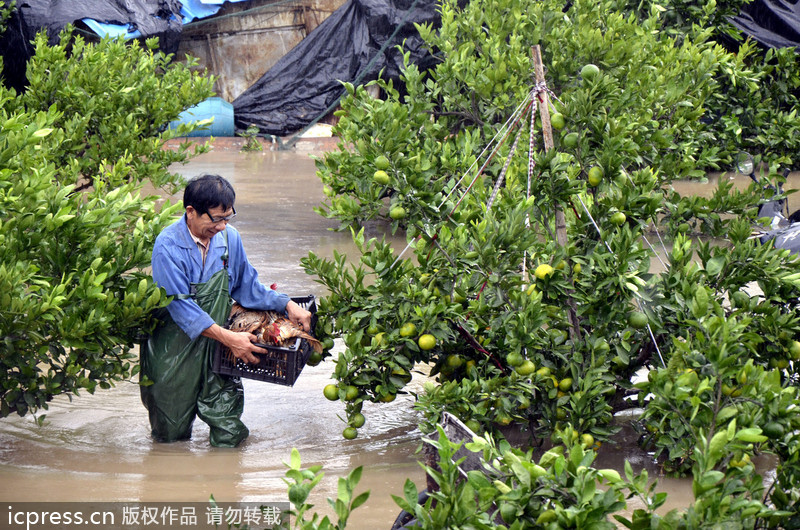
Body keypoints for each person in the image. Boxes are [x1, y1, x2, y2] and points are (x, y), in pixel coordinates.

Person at [140, 174, 312, 447]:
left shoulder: (230, 239)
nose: (222, 226)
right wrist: (229, 338)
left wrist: (287, 304)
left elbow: (247, 286)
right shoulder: (167, 246)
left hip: (219, 351)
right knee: (170, 437)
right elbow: (180, 306)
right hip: (173, 350)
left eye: (228, 218)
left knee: (229, 431)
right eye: (216, 219)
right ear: (191, 212)